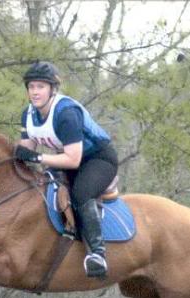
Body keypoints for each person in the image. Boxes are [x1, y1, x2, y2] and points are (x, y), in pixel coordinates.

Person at [14, 61, 119, 278]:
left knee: (81, 193)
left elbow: (73, 160)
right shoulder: (28, 115)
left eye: (40, 87)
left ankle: (98, 254)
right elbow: (26, 151)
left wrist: (39, 157)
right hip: (69, 159)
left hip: (97, 159)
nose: (35, 92)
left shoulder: (66, 113)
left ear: (52, 89)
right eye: (31, 87)